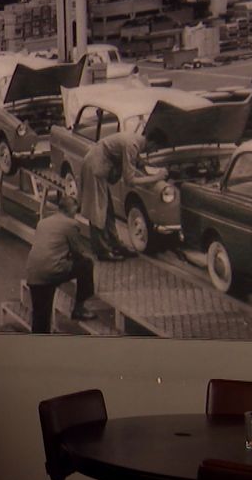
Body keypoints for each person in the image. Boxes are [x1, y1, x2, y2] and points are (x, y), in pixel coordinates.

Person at [25, 181, 97, 333]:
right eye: (75, 210)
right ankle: (79, 308)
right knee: (86, 264)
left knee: (40, 316)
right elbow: (78, 252)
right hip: (52, 272)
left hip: (33, 273)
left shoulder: (43, 222)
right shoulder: (71, 224)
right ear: (71, 210)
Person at [79, 130, 162, 260]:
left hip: (98, 165)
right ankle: (102, 251)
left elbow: (137, 163)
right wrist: (156, 177)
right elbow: (130, 180)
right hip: (95, 168)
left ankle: (115, 244)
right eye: (156, 148)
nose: (155, 151)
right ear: (152, 143)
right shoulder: (132, 145)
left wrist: (150, 168)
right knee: (98, 211)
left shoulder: (135, 141)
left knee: (108, 210)